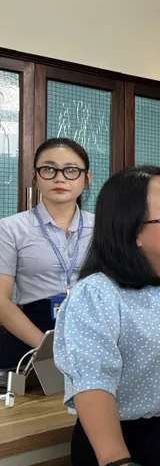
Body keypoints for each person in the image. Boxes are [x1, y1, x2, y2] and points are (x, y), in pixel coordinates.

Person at [54, 166, 160, 466]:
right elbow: (92, 383)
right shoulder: (98, 294)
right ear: (133, 232)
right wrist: (115, 462)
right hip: (124, 444)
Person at [0, 139, 94, 370]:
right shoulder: (11, 228)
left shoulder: (104, 227)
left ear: (86, 179)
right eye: (49, 169)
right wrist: (47, 348)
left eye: (71, 170)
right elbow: (1, 301)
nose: (59, 178)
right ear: (35, 177)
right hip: (31, 337)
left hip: (91, 333)